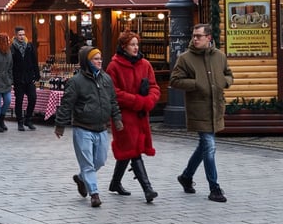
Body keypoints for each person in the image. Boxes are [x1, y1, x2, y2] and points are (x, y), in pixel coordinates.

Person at [170, 23, 235, 203]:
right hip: (199, 108)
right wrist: (196, 83)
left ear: (209, 38)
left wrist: (225, 82)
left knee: (204, 146)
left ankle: (186, 176)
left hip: (216, 107)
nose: (195, 39)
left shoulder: (219, 56)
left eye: (199, 36)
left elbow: (229, 74)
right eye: (194, 35)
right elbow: (175, 80)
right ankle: (214, 188)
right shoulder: (185, 58)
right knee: (210, 146)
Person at [54, 46, 123, 208]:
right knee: (87, 164)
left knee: (99, 160)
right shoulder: (76, 81)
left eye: (100, 58)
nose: (100, 61)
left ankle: (80, 178)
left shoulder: (106, 79)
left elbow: (112, 101)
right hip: (82, 127)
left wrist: (117, 118)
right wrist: (60, 125)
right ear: (87, 61)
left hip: (101, 128)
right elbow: (66, 104)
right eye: (96, 59)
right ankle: (94, 194)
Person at [106, 30, 160, 202]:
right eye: (132, 44)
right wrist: (137, 101)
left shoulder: (145, 65)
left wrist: (149, 101)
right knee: (134, 149)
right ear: (124, 46)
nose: (136, 48)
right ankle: (148, 189)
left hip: (140, 114)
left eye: (137, 44)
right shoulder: (114, 66)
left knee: (128, 150)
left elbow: (154, 87)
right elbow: (114, 92)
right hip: (123, 115)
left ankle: (115, 183)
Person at [11, 26, 40, 131]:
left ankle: (28, 119)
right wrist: (12, 79)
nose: (22, 37)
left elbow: (34, 60)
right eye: (20, 35)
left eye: (23, 34)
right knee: (19, 100)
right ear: (16, 35)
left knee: (33, 97)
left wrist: (37, 75)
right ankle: (20, 122)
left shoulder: (29, 46)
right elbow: (10, 64)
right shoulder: (12, 47)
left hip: (29, 77)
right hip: (18, 78)